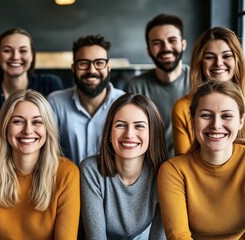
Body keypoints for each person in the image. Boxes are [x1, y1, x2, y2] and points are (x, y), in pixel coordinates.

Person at [0, 89, 80, 239]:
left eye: (37, 122)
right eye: (18, 121)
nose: (28, 130)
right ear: (5, 127)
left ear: (48, 129)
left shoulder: (67, 174)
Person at [158, 80, 245, 239]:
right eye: (206, 115)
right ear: (192, 120)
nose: (216, 125)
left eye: (226, 115)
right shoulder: (173, 171)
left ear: (241, 121)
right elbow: (179, 236)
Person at [80, 93, 167, 239]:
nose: (129, 134)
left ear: (152, 133)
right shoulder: (91, 171)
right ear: (109, 133)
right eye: (120, 125)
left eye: (139, 126)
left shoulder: (165, 174)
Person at [48, 34, 125, 165]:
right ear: (73, 68)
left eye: (99, 63)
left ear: (108, 67)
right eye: (84, 63)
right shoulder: (55, 102)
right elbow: (48, 152)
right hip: (69, 182)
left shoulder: (124, 104)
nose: (92, 70)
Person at [0, 27, 63, 138]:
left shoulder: (50, 84)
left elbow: (59, 132)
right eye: (7, 50)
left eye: (23, 51)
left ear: (32, 55)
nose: (15, 57)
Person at [172, 27, 245, 155]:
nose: (219, 63)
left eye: (227, 56)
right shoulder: (182, 107)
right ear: (200, 63)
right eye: (210, 57)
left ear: (237, 60)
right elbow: (184, 162)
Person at [127, 13, 190, 157]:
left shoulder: (198, 81)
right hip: (151, 165)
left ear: (183, 44)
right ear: (149, 50)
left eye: (172, 40)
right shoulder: (136, 87)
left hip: (190, 165)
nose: (166, 47)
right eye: (157, 43)